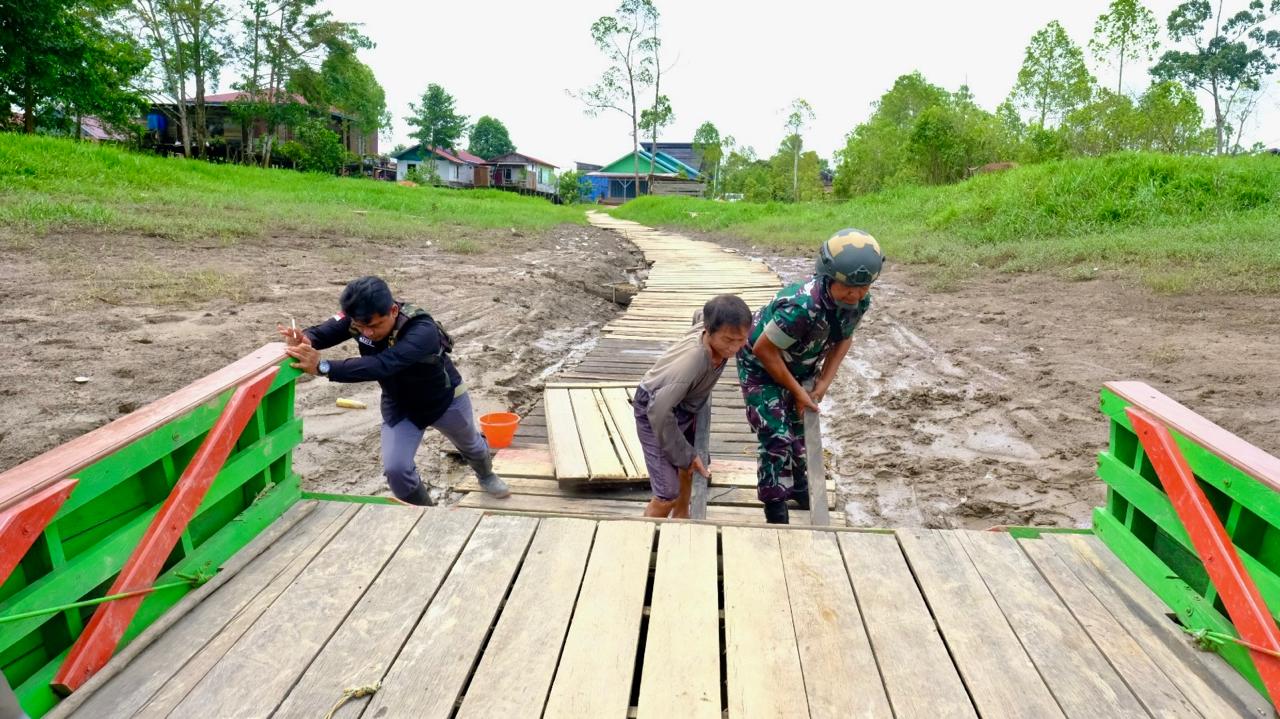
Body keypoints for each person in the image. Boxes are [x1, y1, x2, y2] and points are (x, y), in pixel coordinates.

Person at [278, 276, 509, 505]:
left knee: (472, 446)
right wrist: (303, 339)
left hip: (444, 399)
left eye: (374, 326)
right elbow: (321, 333)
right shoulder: (359, 318)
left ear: (394, 311)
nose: (367, 333)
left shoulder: (421, 329)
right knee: (396, 470)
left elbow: (383, 365)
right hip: (400, 405)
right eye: (360, 327)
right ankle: (425, 514)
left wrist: (323, 366)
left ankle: (486, 475)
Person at [736, 228, 884, 524]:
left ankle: (800, 487)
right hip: (761, 365)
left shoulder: (857, 302)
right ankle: (774, 503)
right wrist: (797, 390)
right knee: (776, 435)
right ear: (829, 277)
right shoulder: (802, 307)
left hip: (800, 363)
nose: (855, 294)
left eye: (863, 287)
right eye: (848, 287)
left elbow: (844, 339)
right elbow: (765, 349)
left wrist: (822, 384)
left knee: (799, 430)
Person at [634, 294, 753, 518]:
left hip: (683, 405)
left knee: (690, 466)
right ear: (708, 331)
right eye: (728, 340)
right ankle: (642, 541)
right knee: (667, 492)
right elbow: (658, 411)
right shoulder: (693, 362)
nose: (735, 348)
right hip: (654, 409)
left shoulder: (710, 325)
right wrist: (686, 454)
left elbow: (699, 314)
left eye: (741, 340)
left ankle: (682, 517)